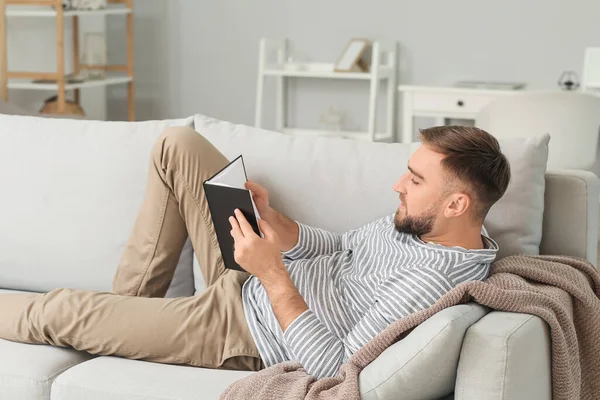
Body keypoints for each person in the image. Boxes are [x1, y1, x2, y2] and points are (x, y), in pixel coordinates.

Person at [0, 124, 510, 379]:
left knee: (58, 309)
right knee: (179, 145)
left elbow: (336, 371)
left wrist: (272, 275)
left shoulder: (428, 284)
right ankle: (126, 317)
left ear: (457, 203)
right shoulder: (418, 224)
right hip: (257, 275)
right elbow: (346, 247)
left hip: (242, 329)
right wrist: (279, 228)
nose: (398, 184)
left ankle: (110, 322)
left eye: (415, 179)